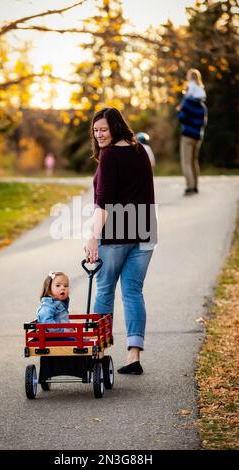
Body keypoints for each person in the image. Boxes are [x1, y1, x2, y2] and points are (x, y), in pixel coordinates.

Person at [84, 107, 157, 375]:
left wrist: (93, 236)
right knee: (133, 292)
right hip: (146, 232)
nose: (99, 134)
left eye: (103, 129)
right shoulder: (140, 150)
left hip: (116, 235)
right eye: (95, 130)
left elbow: (103, 200)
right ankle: (133, 356)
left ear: (115, 127)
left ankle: (98, 353)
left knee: (104, 290)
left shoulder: (111, 155)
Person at [177, 68, 207, 195]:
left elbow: (182, 118)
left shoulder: (187, 103)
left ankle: (190, 187)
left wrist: (180, 110)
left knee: (186, 161)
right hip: (198, 135)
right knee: (194, 161)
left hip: (187, 135)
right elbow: (203, 122)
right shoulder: (202, 105)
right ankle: (195, 186)